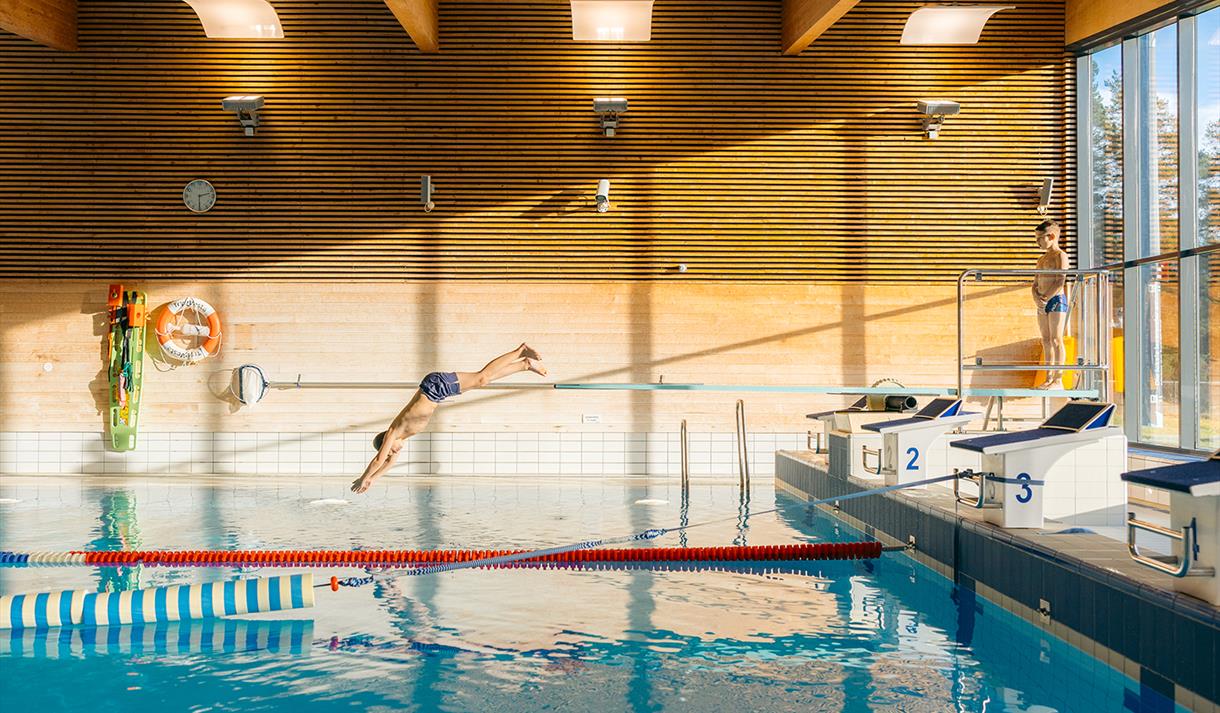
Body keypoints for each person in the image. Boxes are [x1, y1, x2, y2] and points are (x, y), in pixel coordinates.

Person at [350, 344, 548, 493]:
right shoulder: (400, 439)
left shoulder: (394, 433)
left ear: (386, 440)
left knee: (481, 377)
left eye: (390, 450)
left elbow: (379, 460)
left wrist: (363, 477)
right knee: (483, 381)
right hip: (438, 392)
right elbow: (388, 464)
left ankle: (521, 351)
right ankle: (524, 365)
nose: (393, 453)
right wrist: (373, 480)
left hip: (434, 386)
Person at [1031, 220, 1071, 388]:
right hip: (1042, 301)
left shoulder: (1060, 256)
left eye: (1040, 238)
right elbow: (1035, 282)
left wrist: (1045, 298)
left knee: (1056, 339)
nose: (1037, 242)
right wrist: (1037, 298)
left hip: (1056, 300)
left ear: (1052, 236)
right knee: (1046, 340)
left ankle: (1058, 378)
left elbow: (1060, 281)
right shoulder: (1041, 259)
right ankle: (1048, 378)